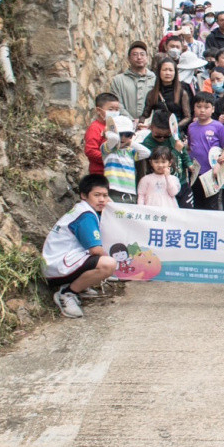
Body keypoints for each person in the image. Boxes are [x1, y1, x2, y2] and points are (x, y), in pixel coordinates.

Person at [43, 174, 117, 318]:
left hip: (59, 262)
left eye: (105, 195)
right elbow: (95, 250)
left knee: (104, 262)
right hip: (57, 267)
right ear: (84, 195)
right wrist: (116, 270)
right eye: (97, 195)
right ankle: (67, 293)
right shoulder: (86, 215)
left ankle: (80, 286)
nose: (102, 199)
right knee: (108, 264)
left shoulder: (84, 210)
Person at [137, 110, 192, 207]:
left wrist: (189, 163)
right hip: (162, 186)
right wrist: (176, 151)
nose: (162, 138)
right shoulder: (148, 143)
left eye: (166, 136)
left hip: (181, 181)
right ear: (151, 127)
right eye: (158, 135)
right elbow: (163, 160)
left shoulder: (174, 137)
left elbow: (183, 152)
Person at [186, 93, 224, 211]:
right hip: (195, 173)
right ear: (193, 108)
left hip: (211, 173)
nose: (202, 110)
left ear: (213, 109)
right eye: (198, 106)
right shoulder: (191, 127)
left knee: (211, 205)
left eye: (206, 107)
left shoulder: (218, 126)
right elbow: (190, 147)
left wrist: (219, 164)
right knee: (196, 204)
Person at [101, 115, 150, 204]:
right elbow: (113, 139)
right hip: (112, 191)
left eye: (128, 135)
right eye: (120, 134)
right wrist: (109, 132)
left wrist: (130, 142)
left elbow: (146, 153)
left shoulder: (130, 152)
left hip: (130, 192)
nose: (123, 138)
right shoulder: (108, 150)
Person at [140, 56, 193, 129]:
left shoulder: (182, 93)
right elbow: (145, 114)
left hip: (175, 132)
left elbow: (187, 117)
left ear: (175, 73)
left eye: (170, 70)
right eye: (165, 70)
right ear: (159, 72)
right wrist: (141, 123)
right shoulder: (152, 94)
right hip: (158, 131)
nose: (168, 73)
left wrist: (174, 128)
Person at [109, 41, 155, 120]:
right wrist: (132, 121)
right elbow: (117, 105)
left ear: (147, 57)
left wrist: (147, 122)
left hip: (150, 126)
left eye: (142, 54)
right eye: (135, 54)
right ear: (129, 58)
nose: (139, 57)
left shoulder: (155, 79)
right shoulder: (118, 80)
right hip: (125, 125)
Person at [84, 93, 121, 175]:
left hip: (116, 172)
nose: (114, 112)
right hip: (100, 173)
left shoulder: (117, 126)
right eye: (110, 109)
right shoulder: (95, 128)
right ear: (98, 110)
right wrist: (109, 158)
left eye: (117, 109)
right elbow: (90, 151)